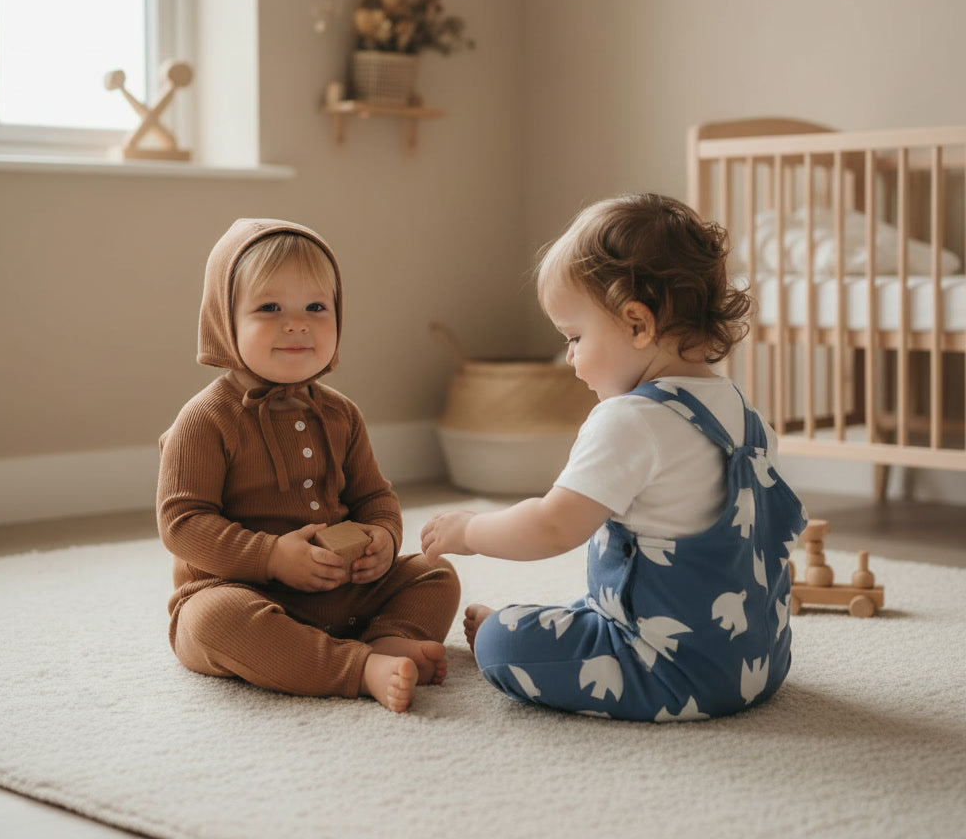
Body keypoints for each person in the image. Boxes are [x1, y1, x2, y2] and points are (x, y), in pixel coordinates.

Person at [421, 194, 807, 722]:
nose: (572, 356)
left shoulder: (631, 419)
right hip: (757, 664)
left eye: (575, 337)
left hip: (669, 669)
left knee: (505, 643)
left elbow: (552, 527)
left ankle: (507, 630)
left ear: (637, 324)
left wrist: (469, 531)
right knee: (589, 603)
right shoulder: (743, 414)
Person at [158, 218, 460, 713]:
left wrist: (383, 540)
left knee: (435, 573)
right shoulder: (204, 420)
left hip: (341, 590)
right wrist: (271, 556)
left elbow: (373, 498)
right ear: (224, 320)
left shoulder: (341, 414)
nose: (296, 323)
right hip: (243, 591)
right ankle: (355, 669)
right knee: (211, 621)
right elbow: (182, 524)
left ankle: (386, 641)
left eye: (316, 307)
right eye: (270, 307)